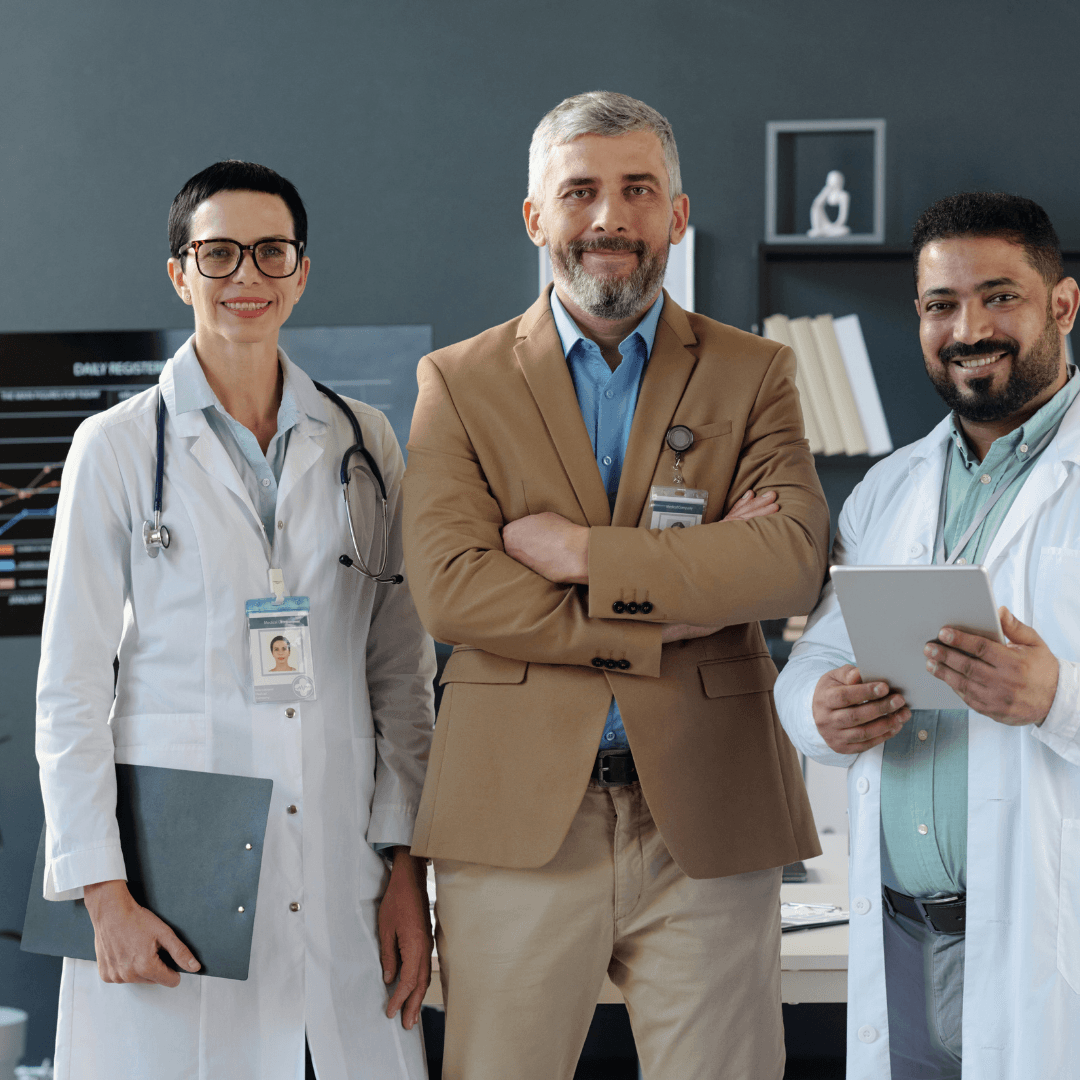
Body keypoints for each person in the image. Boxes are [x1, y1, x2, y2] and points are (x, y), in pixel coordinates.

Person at [402, 91, 830, 1080]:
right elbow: (455, 591)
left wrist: (582, 555)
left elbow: (788, 559)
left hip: (709, 816)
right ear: (535, 217)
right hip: (514, 821)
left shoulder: (755, 371)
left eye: (638, 190)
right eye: (580, 192)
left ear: (676, 216)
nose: (610, 217)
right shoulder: (458, 382)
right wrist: (669, 608)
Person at [35, 161, 435, 1080]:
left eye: (270, 252)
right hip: (170, 876)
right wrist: (102, 895)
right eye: (218, 254)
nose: (246, 275)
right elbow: (70, 690)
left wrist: (408, 866)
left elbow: (401, 674)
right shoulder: (116, 448)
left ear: (302, 272)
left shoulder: (365, 441)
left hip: (343, 864)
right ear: (180, 273)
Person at [775, 192, 1080, 1079]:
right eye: (942, 304)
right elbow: (817, 655)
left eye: (1000, 296)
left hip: (1047, 937)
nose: (969, 329)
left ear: (1063, 304)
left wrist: (1055, 697)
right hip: (901, 933)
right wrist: (818, 708)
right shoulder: (888, 487)